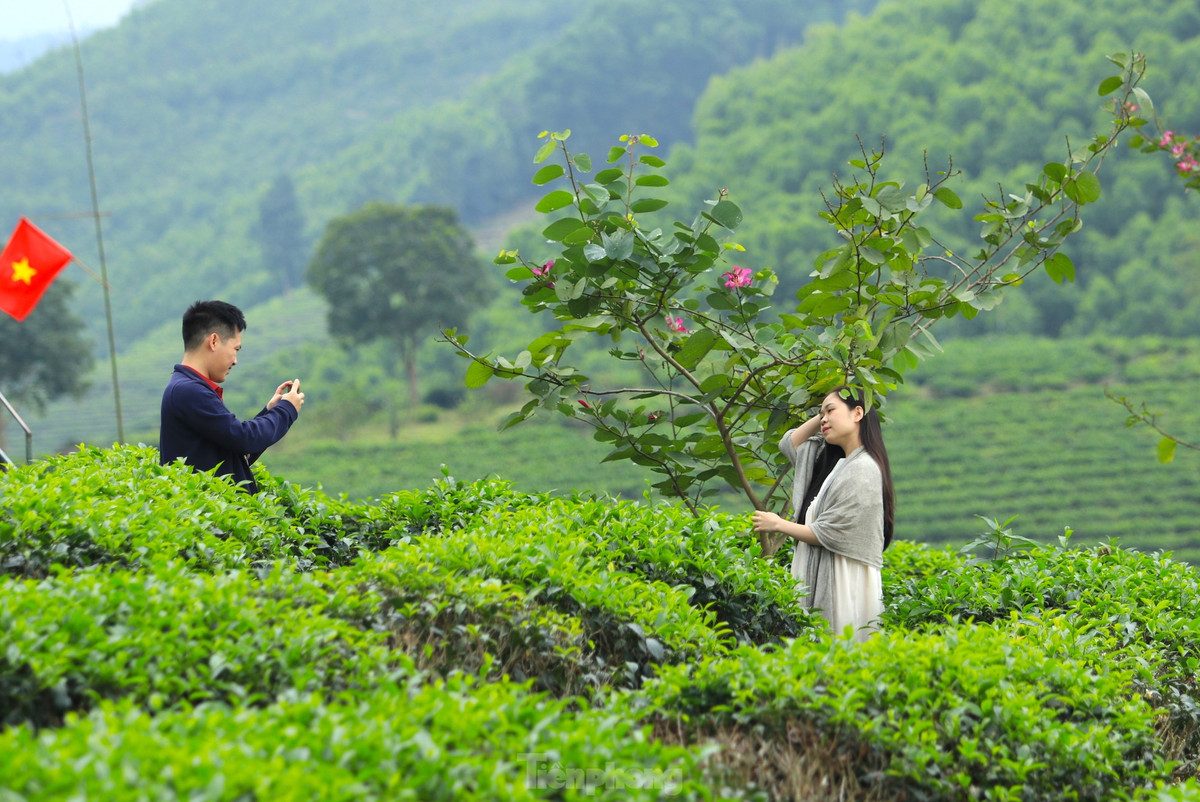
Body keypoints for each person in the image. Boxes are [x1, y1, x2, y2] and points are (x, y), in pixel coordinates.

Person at [751, 386, 895, 642]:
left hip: (843, 580)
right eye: (821, 415)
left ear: (858, 413)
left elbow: (828, 533)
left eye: (830, 411)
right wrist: (826, 410)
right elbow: (790, 443)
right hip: (823, 570)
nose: (823, 420)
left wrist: (778, 524)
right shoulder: (833, 464)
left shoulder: (863, 468)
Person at [159, 300, 305, 494]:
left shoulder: (186, 387)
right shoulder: (188, 391)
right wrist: (286, 410)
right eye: (236, 349)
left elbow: (236, 450)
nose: (235, 361)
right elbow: (244, 439)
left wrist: (270, 411)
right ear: (213, 341)